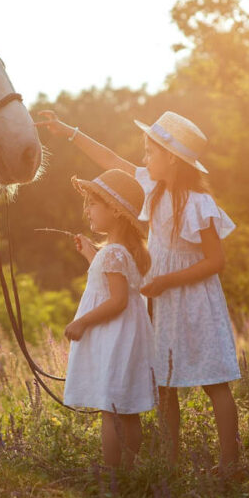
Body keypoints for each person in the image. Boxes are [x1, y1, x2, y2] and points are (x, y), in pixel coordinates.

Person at [38, 110, 241, 475]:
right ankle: (170, 462)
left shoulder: (198, 204)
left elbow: (215, 261)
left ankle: (230, 463)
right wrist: (69, 132)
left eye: (151, 152)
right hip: (160, 300)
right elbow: (110, 161)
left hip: (193, 301)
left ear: (172, 159)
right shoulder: (154, 189)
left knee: (214, 382)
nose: (144, 159)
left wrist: (167, 281)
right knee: (163, 383)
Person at [63, 169, 155, 470]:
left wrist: (82, 322)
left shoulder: (114, 252)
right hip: (125, 336)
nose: (86, 210)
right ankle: (129, 471)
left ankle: (114, 477)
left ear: (115, 210)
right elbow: (112, 285)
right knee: (125, 409)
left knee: (111, 410)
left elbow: (117, 300)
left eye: (92, 204)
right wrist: (92, 255)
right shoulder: (120, 251)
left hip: (116, 338)